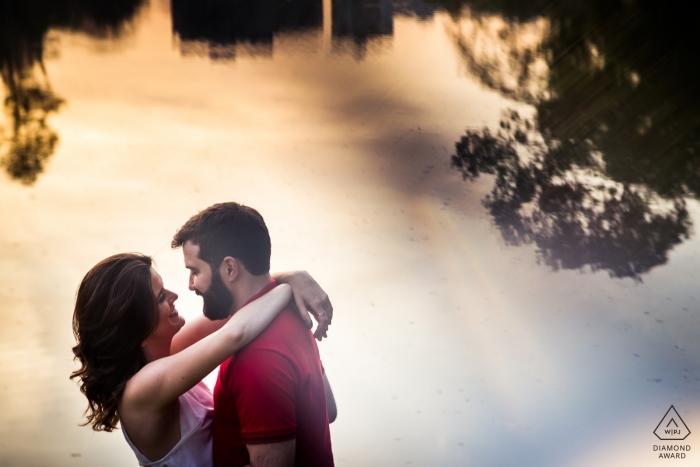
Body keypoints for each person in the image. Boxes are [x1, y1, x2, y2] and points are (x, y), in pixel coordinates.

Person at [71, 252, 333, 467]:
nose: (174, 295)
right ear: (135, 328)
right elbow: (236, 332)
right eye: (161, 297)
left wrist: (292, 277)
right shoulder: (141, 390)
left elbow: (237, 302)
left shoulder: (169, 353)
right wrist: (288, 288)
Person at [171, 202, 335, 467]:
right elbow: (328, 409)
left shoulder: (256, 360)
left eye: (195, 271)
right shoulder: (292, 313)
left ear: (229, 269)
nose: (190, 285)